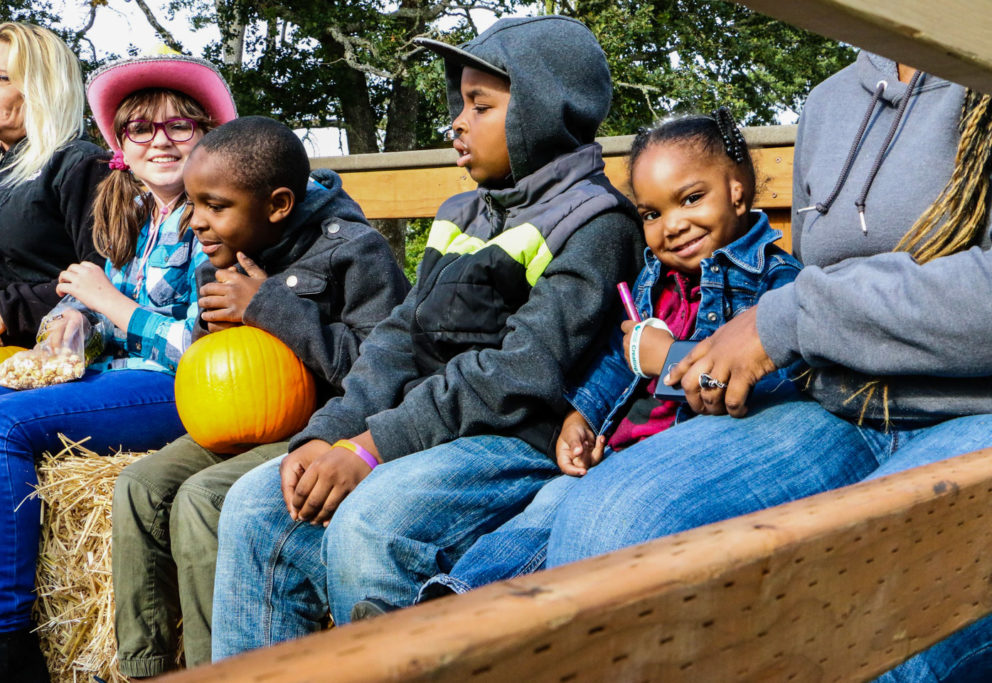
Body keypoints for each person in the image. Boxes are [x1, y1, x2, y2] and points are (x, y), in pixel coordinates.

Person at [543, 52, 992, 680]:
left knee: (883, 604)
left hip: (990, 405)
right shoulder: (827, 103)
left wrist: (789, 320)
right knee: (606, 527)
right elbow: (811, 281)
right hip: (837, 403)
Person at [210, 15, 646, 658]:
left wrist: (373, 448)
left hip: (516, 437)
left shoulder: (596, 224)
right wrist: (331, 432)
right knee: (255, 504)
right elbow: (395, 339)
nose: (457, 122)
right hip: (429, 429)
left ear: (542, 111)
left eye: (481, 105)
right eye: (458, 102)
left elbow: (521, 372)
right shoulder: (461, 213)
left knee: (372, 522)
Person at [406, 110, 803, 604]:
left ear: (737, 190)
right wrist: (582, 415)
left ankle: (476, 620)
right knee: (546, 509)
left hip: (684, 459)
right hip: (616, 451)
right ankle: (452, 605)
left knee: (585, 519)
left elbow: (776, 384)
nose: (672, 226)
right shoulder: (654, 280)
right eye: (652, 214)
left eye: (691, 199)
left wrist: (672, 358)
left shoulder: (776, 285)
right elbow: (618, 360)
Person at [110, 115, 409, 676]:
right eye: (193, 205)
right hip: (247, 424)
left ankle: (209, 669)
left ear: (276, 205)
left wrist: (268, 307)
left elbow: (382, 370)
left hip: (322, 428)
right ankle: (145, 665)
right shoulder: (221, 258)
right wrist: (213, 332)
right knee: (140, 485)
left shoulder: (354, 253)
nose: (197, 222)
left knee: (203, 499)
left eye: (215, 206)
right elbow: (217, 374)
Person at [0, 51, 235, 682]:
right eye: (140, 129)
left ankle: (9, 635)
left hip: (190, 390)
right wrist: (77, 322)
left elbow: (210, 348)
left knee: (4, 424)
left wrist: (117, 307)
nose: (159, 141)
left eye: (180, 126)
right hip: (126, 378)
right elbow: (104, 315)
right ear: (120, 147)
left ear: (209, 136)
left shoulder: (219, 216)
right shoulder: (135, 216)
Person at [0, 22, 109, 347]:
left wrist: (10, 311)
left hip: (51, 357)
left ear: (42, 87)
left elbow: (106, 273)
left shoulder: (80, 163)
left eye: (2, 78)